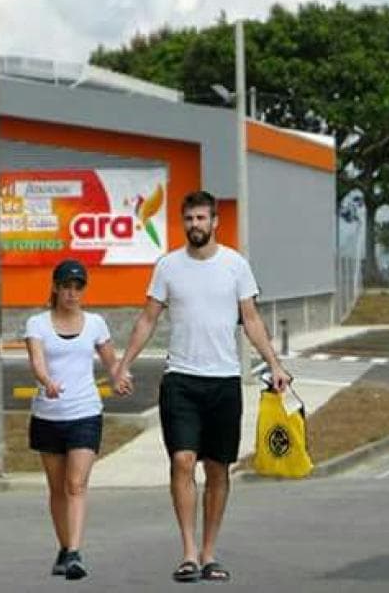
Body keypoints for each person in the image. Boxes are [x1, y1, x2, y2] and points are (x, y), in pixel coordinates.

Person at [112, 190, 291, 584]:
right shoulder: (168, 267)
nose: (195, 225)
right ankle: (189, 553)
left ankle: (210, 552)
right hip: (181, 380)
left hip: (224, 381)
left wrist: (275, 365)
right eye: (189, 219)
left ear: (215, 222)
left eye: (201, 219)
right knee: (182, 461)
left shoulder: (235, 266)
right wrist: (123, 365)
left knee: (218, 469)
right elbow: (147, 320)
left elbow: (252, 320)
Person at [24, 259, 132, 581]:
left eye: (78, 287)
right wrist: (47, 381)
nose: (72, 293)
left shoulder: (96, 323)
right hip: (48, 414)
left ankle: (74, 553)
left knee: (76, 484)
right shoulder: (38, 324)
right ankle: (64, 547)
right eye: (66, 286)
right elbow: (37, 361)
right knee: (57, 488)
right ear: (55, 287)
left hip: (85, 412)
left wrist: (118, 378)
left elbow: (111, 362)